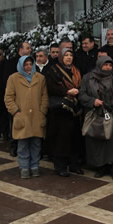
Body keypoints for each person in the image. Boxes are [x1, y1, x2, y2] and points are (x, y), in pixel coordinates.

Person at [79, 56, 113, 180]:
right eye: (106, 65)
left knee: (111, 142)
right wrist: (93, 101)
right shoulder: (88, 78)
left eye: (110, 65)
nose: (108, 68)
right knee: (96, 141)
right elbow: (82, 95)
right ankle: (100, 167)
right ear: (99, 65)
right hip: (95, 115)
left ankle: (112, 166)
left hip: (111, 115)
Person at [4, 56, 48, 179]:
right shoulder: (13, 78)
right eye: (26, 64)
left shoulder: (40, 78)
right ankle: (24, 167)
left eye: (30, 64)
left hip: (36, 117)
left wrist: (42, 111)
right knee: (23, 144)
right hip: (21, 116)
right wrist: (15, 111)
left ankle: (34, 166)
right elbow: (8, 97)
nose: (28, 67)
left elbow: (44, 96)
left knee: (36, 143)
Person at [45, 48, 84, 177]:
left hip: (74, 109)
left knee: (74, 138)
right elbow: (51, 87)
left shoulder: (76, 71)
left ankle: (73, 164)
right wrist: (67, 92)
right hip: (60, 110)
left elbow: (80, 86)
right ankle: (60, 166)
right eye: (66, 55)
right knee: (61, 139)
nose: (68, 57)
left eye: (70, 55)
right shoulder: (53, 70)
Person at [4, 41, 32, 157]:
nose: (30, 50)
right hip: (17, 101)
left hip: (29, 101)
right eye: (28, 48)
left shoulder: (31, 63)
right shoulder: (11, 63)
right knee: (15, 125)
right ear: (21, 50)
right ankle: (14, 146)